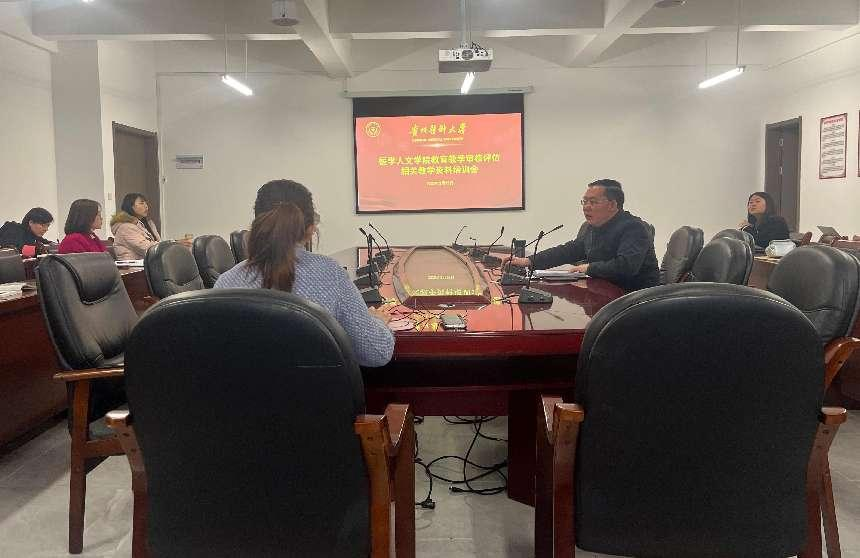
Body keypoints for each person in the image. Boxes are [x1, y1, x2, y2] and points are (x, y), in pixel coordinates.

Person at [214, 179, 394, 367]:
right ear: (310, 229)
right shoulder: (329, 274)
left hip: (244, 387)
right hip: (318, 387)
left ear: (257, 224)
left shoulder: (225, 284)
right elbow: (377, 352)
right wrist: (377, 321)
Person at [506, 179, 659, 291]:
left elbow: (626, 266)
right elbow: (568, 251)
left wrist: (589, 268)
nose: (586, 207)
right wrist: (528, 261)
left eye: (593, 202)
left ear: (613, 205)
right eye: (584, 202)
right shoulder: (592, 227)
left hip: (633, 301)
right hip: (602, 294)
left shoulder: (633, 228)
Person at [110, 193, 162, 259]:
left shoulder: (145, 224)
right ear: (131, 206)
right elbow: (146, 248)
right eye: (141, 203)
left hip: (146, 263)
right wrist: (168, 245)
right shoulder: (126, 228)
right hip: (133, 265)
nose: (146, 206)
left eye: (146, 203)